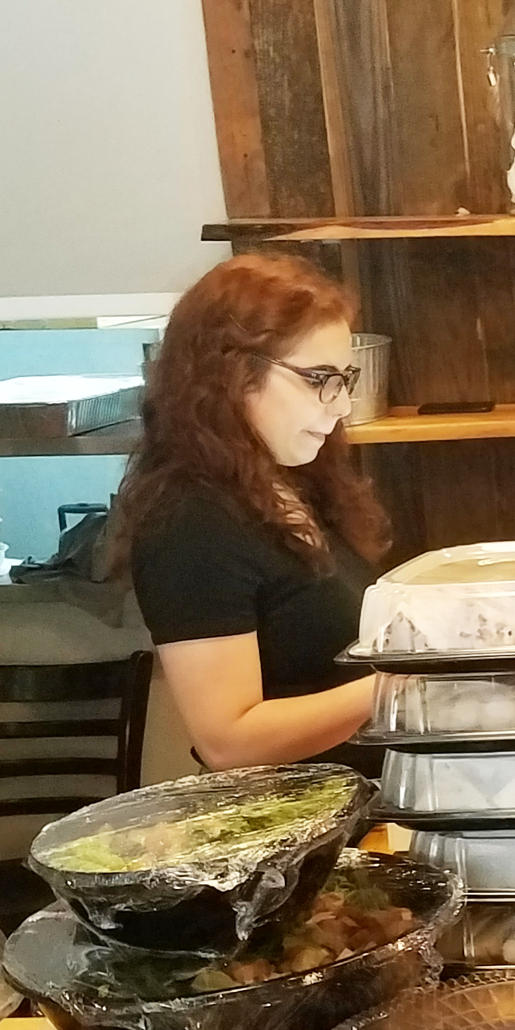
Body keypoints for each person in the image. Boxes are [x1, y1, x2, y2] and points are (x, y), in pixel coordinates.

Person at [112, 253, 389, 771]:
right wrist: (402, 687)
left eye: (344, 378)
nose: (342, 404)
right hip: (294, 824)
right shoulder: (189, 523)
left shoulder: (291, 481)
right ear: (232, 373)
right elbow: (228, 742)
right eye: (318, 378)